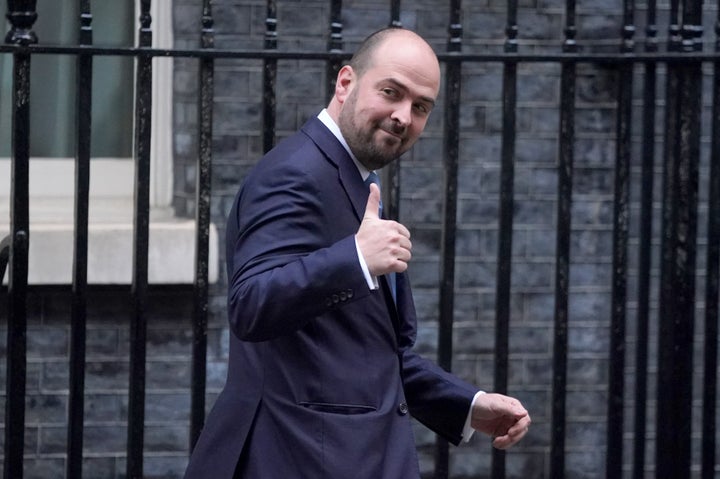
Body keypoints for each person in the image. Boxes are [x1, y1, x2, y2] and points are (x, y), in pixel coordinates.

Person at [184, 27, 531, 479]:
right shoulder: (295, 174)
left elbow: (367, 350)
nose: (404, 116)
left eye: (421, 106)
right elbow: (250, 304)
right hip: (296, 457)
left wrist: (466, 404)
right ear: (345, 83)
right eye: (391, 92)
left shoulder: (353, 177)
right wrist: (356, 259)